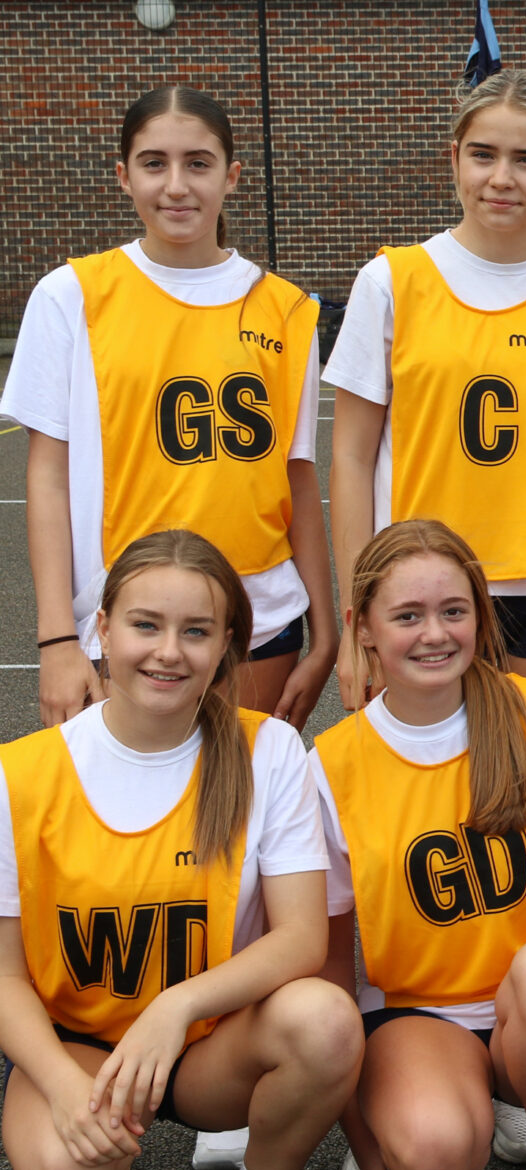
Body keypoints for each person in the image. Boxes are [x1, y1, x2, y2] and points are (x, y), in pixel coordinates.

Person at [0, 529, 362, 1170]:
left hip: (210, 1045)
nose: (169, 651)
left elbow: (303, 936)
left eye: (196, 631)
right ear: (103, 629)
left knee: (326, 1022)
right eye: (146, 625)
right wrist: (60, 1086)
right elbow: (2, 975)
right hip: (79, 1045)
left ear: (225, 645)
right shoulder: (19, 775)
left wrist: (176, 1006)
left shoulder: (268, 751)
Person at [313, 520, 526, 1170]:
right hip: (418, 1013)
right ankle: (445, 1122)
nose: (434, 634)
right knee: (434, 1150)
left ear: (480, 616)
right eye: (408, 615)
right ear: (363, 627)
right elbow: (330, 955)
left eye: (453, 611)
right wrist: (360, 1127)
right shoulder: (332, 765)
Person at [1, 85, 335, 735]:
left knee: (239, 796)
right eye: (155, 163)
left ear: (231, 176)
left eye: (198, 163)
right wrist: (56, 639)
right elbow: (47, 477)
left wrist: (325, 633)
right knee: (129, 798)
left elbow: (297, 478)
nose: (177, 185)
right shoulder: (71, 295)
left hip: (260, 619)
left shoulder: (289, 309)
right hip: (125, 620)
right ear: (124, 176)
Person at [327, 68, 526, 704]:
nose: (502, 178)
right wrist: (356, 616)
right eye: (484, 155)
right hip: (412, 584)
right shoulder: (390, 282)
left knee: (522, 762)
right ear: (455, 158)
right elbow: (349, 458)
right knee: (416, 764)